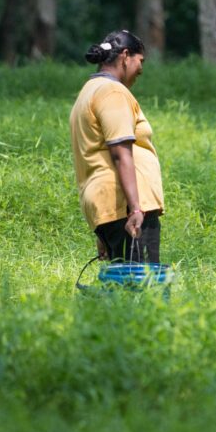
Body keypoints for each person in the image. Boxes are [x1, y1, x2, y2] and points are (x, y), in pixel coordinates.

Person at [70, 30, 164, 264]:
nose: (141, 69)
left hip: (110, 208)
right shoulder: (112, 92)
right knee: (141, 287)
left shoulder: (89, 91)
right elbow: (121, 153)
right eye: (139, 61)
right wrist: (135, 209)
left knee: (122, 285)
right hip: (124, 206)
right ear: (125, 56)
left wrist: (104, 225)